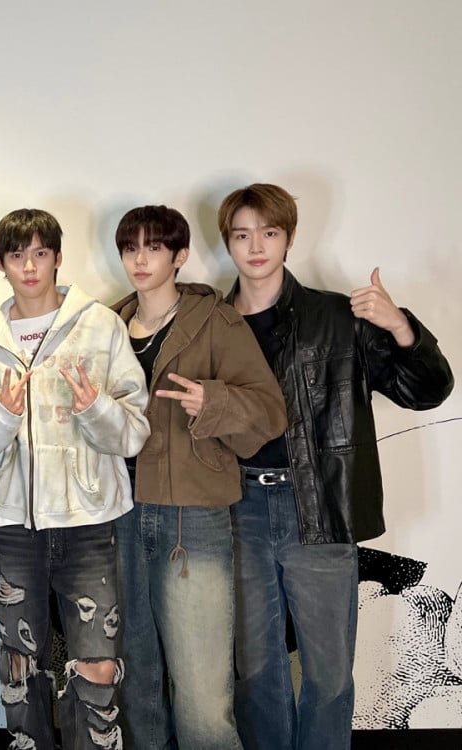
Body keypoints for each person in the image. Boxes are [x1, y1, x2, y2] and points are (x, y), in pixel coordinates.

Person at [219, 183, 454, 750]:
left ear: (289, 238)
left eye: (269, 233)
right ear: (227, 243)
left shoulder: (336, 317)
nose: (256, 247)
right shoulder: (212, 324)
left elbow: (428, 391)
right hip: (238, 508)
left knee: (327, 672)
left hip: (320, 506)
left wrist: (401, 327)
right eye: (243, 235)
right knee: (256, 672)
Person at [0, 208, 151, 750]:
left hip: (89, 524)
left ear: (58, 258)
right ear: (2, 265)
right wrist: (2, 412)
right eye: (17, 255)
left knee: (98, 665)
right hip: (13, 529)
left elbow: (134, 433)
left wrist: (95, 408)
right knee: (20, 668)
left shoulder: (100, 325)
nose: (29, 267)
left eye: (40, 254)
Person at [109, 205, 286, 748]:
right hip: (118, 515)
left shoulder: (218, 322)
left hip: (193, 519)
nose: (140, 259)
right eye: (130, 248)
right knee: (136, 679)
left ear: (180, 256)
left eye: (154, 247)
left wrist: (215, 402)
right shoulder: (106, 325)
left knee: (203, 694)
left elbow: (270, 413)